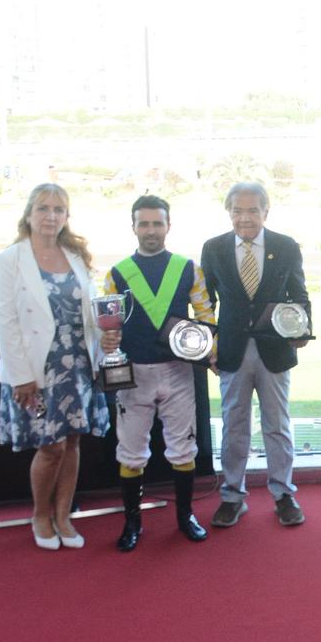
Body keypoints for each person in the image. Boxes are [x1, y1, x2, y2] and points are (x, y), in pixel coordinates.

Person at [0, 183, 113, 550]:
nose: (51, 216)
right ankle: (40, 515)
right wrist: (21, 377)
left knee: (72, 442)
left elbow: (89, 313)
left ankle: (63, 516)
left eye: (58, 209)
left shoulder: (75, 255)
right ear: (29, 214)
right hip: (37, 369)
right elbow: (5, 322)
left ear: (66, 216)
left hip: (78, 364)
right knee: (51, 448)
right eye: (43, 208)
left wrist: (105, 340)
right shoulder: (11, 259)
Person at [100, 194, 217, 551]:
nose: (151, 230)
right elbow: (107, 325)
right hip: (133, 373)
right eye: (144, 224)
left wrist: (209, 349)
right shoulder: (116, 273)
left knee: (183, 449)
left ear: (168, 226)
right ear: (133, 227)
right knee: (131, 451)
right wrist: (108, 339)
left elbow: (206, 316)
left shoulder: (188, 268)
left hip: (178, 371)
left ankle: (185, 516)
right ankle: (132, 522)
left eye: (157, 223)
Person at [200, 182, 310, 529]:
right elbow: (205, 303)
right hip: (231, 351)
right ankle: (233, 496)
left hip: (274, 349)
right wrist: (208, 346)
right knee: (234, 425)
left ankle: (283, 494)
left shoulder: (286, 246)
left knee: (277, 424)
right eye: (237, 211)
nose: (244, 218)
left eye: (252, 210)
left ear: (266, 211)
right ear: (228, 212)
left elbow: (299, 294)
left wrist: (302, 329)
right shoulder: (213, 248)